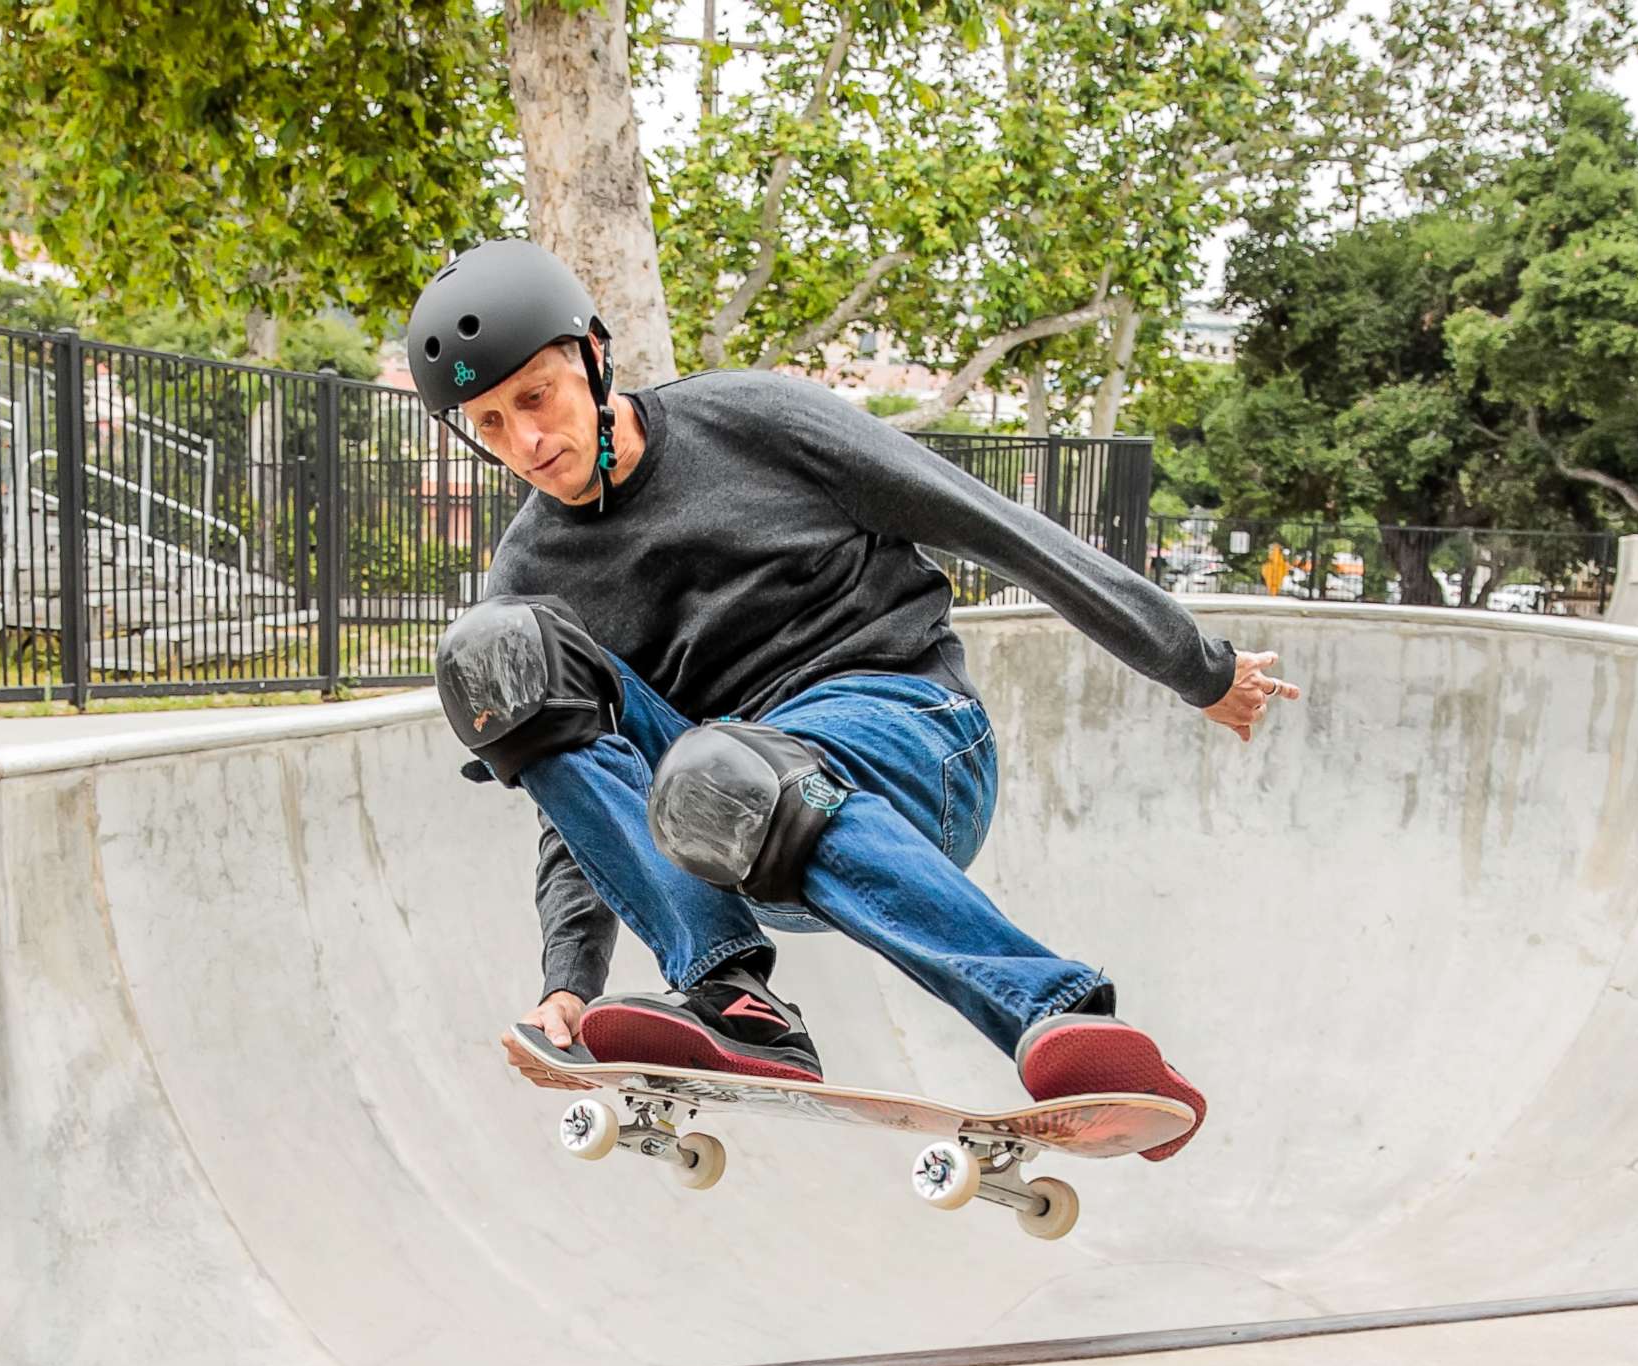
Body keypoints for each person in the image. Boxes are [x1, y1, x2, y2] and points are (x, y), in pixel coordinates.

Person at [410, 240, 1299, 1159]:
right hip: (727, 816)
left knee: (726, 763)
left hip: (912, 740)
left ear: (594, 356)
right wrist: (570, 977)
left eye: (536, 397)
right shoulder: (531, 568)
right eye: (489, 424)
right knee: (497, 652)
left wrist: (1197, 667)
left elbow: (997, 527)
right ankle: (737, 1001)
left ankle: (1058, 1016)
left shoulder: (753, 420)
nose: (527, 444)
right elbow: (577, 791)